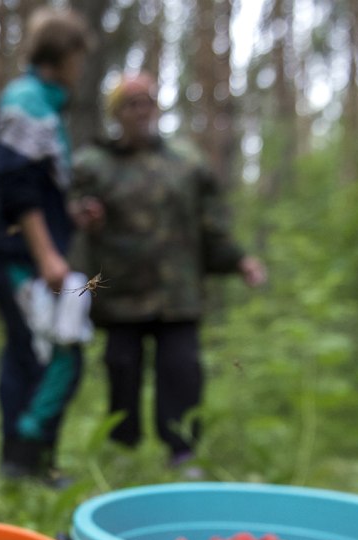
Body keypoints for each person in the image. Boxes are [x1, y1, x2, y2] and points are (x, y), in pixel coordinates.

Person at [69, 73, 266, 471]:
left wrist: (239, 260)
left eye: (147, 102)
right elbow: (68, 206)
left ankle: (182, 452)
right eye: (131, 104)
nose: (141, 111)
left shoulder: (187, 162)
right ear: (116, 113)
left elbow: (211, 222)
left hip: (178, 293)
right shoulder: (92, 164)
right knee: (122, 369)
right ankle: (122, 453)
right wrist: (82, 215)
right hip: (120, 293)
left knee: (181, 370)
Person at [0, 7, 93, 484]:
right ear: (64, 53)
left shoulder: (44, 105)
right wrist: (47, 255)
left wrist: (70, 217)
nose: (82, 66)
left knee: (35, 350)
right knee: (51, 353)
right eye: (79, 55)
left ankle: (28, 462)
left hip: (26, 252)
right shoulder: (27, 100)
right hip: (18, 255)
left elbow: (34, 185)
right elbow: (16, 186)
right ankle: (24, 459)